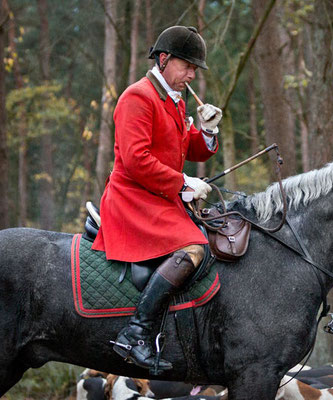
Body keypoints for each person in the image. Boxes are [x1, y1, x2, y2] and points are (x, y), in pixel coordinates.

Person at [92, 26, 221, 372]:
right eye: (187, 66)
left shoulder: (173, 101)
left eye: (195, 69)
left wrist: (207, 130)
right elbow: (136, 161)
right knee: (195, 247)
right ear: (164, 60)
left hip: (160, 197)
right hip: (133, 198)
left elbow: (191, 149)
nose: (192, 74)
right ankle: (136, 333)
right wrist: (182, 182)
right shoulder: (138, 97)